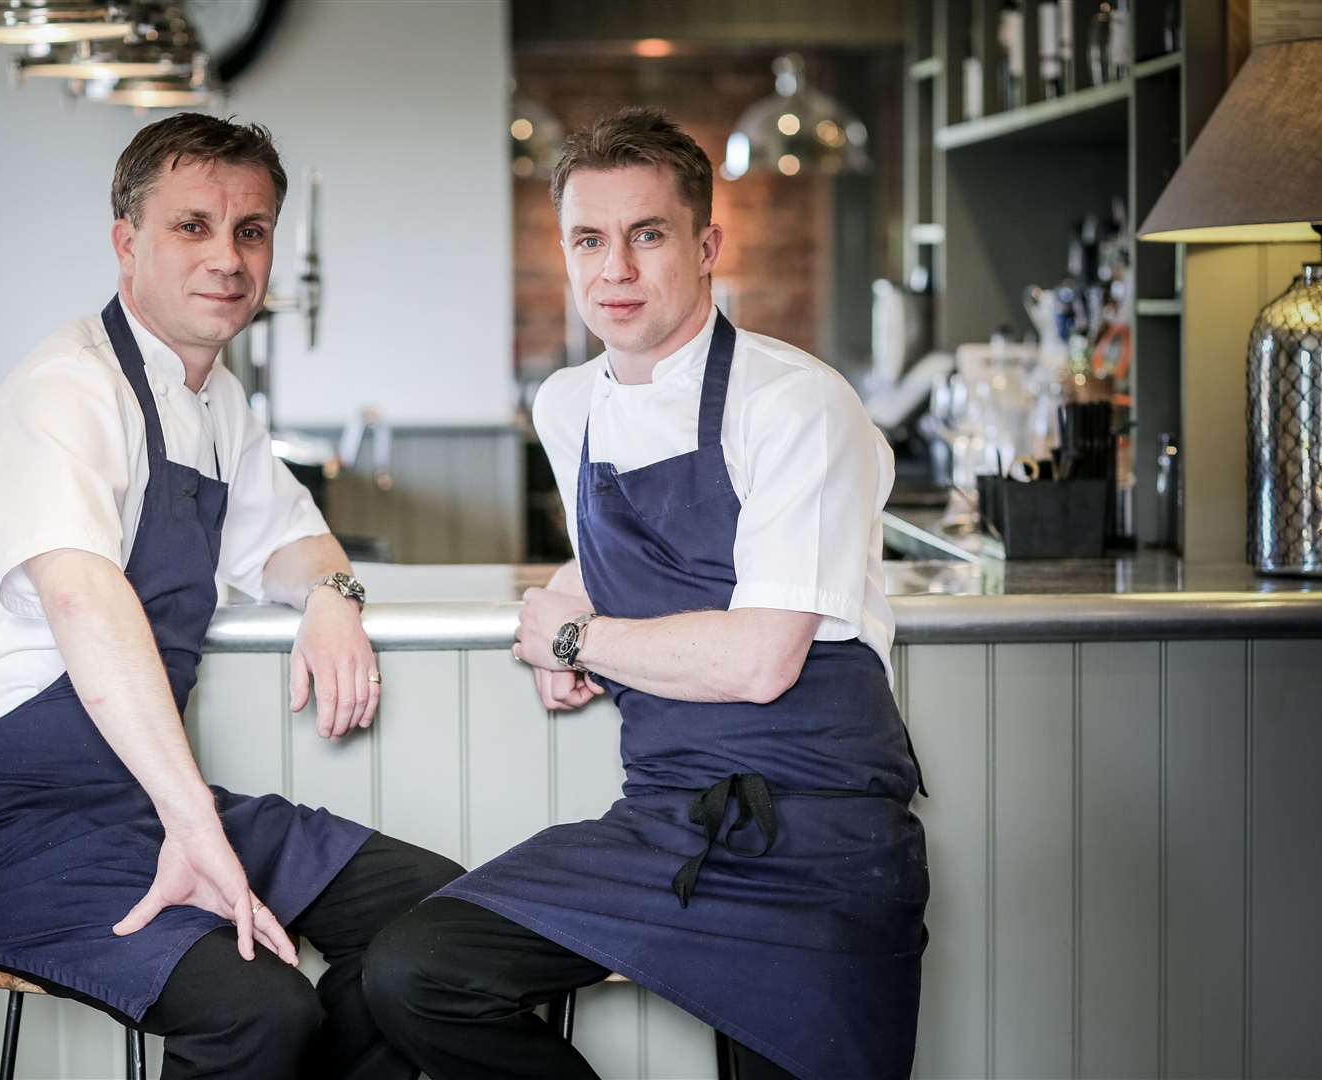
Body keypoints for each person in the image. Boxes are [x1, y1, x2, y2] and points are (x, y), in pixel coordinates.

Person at [362, 107, 929, 1080]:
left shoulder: (795, 404)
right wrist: (559, 603)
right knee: (419, 970)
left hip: (821, 843)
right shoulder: (566, 405)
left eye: (648, 234)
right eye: (589, 238)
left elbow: (760, 662)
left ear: (706, 246)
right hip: (666, 822)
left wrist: (578, 640)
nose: (615, 269)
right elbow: (618, 546)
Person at [0, 113, 460, 1080]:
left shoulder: (215, 403)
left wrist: (331, 595)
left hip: (141, 801)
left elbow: (295, 540)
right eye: (192, 226)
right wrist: (193, 823)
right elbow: (85, 604)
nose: (229, 259)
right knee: (258, 1015)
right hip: (2, 825)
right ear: (127, 241)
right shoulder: (65, 391)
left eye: (251, 231)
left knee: (436, 922)